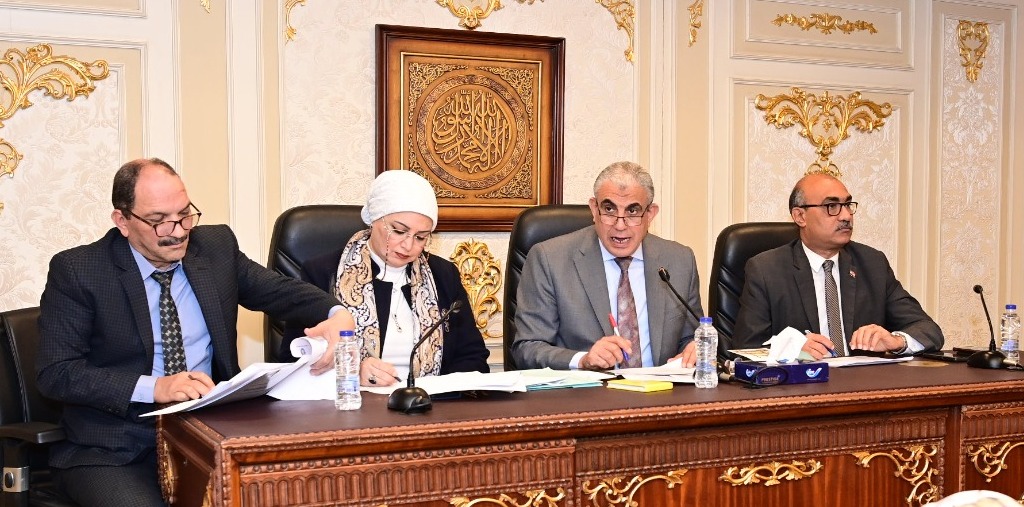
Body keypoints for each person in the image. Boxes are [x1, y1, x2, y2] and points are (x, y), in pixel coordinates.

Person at [36, 158, 355, 507]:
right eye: (159, 220)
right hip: (114, 448)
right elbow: (57, 373)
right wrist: (156, 387)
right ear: (122, 221)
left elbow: (281, 292)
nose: (178, 231)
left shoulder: (215, 247)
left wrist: (337, 313)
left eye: (185, 214)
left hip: (210, 434)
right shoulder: (79, 270)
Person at [283, 170, 489, 386]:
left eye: (420, 237)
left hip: (428, 403)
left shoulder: (443, 275)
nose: (408, 246)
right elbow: (293, 360)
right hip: (353, 403)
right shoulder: (323, 273)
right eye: (398, 231)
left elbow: (473, 358)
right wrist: (352, 372)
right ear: (374, 219)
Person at [512, 161, 705, 370]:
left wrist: (695, 350)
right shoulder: (550, 259)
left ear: (650, 214)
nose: (620, 225)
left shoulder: (679, 260)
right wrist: (583, 360)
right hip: (587, 389)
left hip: (662, 389)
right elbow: (527, 349)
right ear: (594, 209)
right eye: (609, 209)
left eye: (633, 211)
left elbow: (691, 338)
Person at [730, 173, 943, 357]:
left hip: (863, 385)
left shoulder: (872, 264)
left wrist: (897, 341)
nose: (846, 216)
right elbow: (745, 349)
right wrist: (790, 349)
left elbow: (928, 330)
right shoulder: (767, 270)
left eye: (848, 205)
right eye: (832, 206)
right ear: (800, 216)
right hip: (802, 387)